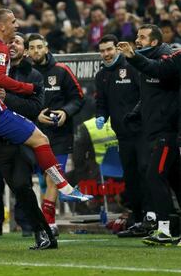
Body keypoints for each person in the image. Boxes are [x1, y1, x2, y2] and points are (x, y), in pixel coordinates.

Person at [0, 9, 92, 236]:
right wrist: (30, 88)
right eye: (13, 22)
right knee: (40, 139)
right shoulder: (0, 49)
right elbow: (0, 80)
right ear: (2, 26)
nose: (17, 25)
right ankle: (64, 186)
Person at [117, 24, 180, 246]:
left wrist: (133, 57)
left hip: (168, 131)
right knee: (175, 180)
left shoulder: (167, 57)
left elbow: (158, 70)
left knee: (155, 175)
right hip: (155, 130)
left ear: (154, 42)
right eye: (137, 37)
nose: (138, 40)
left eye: (142, 37)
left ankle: (164, 229)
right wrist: (135, 114)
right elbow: (149, 97)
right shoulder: (146, 64)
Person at [28, 33, 84, 237]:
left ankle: (49, 222)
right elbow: (16, 103)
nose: (36, 51)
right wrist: (36, 116)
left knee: (52, 178)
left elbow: (78, 97)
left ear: (46, 48)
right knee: (42, 181)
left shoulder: (61, 71)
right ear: (27, 51)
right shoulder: (25, 73)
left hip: (59, 135)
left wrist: (65, 112)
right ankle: (40, 219)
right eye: (32, 47)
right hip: (32, 134)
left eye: (39, 47)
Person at [95, 34, 147, 237]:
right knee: (131, 177)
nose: (106, 54)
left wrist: (134, 116)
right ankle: (137, 218)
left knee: (146, 173)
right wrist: (100, 116)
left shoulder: (133, 67)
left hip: (142, 132)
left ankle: (154, 217)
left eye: (109, 49)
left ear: (117, 49)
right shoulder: (101, 76)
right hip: (122, 136)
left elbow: (144, 96)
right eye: (102, 51)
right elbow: (101, 104)